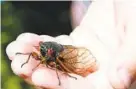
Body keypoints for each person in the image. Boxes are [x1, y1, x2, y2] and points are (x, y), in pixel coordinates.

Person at [6, 1, 136, 89]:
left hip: (67, 52)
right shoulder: (42, 52)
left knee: (61, 64)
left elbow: (57, 62)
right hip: (87, 12)